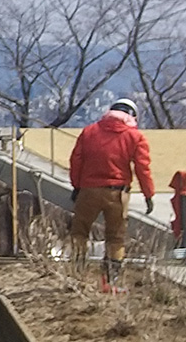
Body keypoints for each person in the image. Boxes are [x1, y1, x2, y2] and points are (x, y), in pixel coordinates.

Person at [68, 98, 155, 293]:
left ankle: (76, 274)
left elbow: (76, 161)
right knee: (116, 238)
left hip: (88, 191)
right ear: (132, 116)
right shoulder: (135, 137)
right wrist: (148, 194)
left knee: (79, 233)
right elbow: (143, 168)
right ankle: (109, 281)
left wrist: (77, 186)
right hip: (117, 193)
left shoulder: (89, 132)